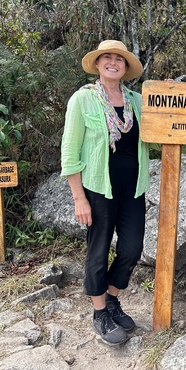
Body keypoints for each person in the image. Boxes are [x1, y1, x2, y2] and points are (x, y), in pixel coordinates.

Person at [60, 40, 149, 346]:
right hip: (98, 187)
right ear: (97, 64)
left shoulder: (138, 101)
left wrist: (169, 95)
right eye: (106, 58)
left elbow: (165, 123)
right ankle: (100, 314)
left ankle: (112, 299)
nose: (113, 62)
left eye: (119, 59)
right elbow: (70, 153)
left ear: (126, 68)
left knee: (131, 249)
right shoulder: (82, 100)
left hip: (133, 187)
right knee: (97, 251)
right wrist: (78, 197)